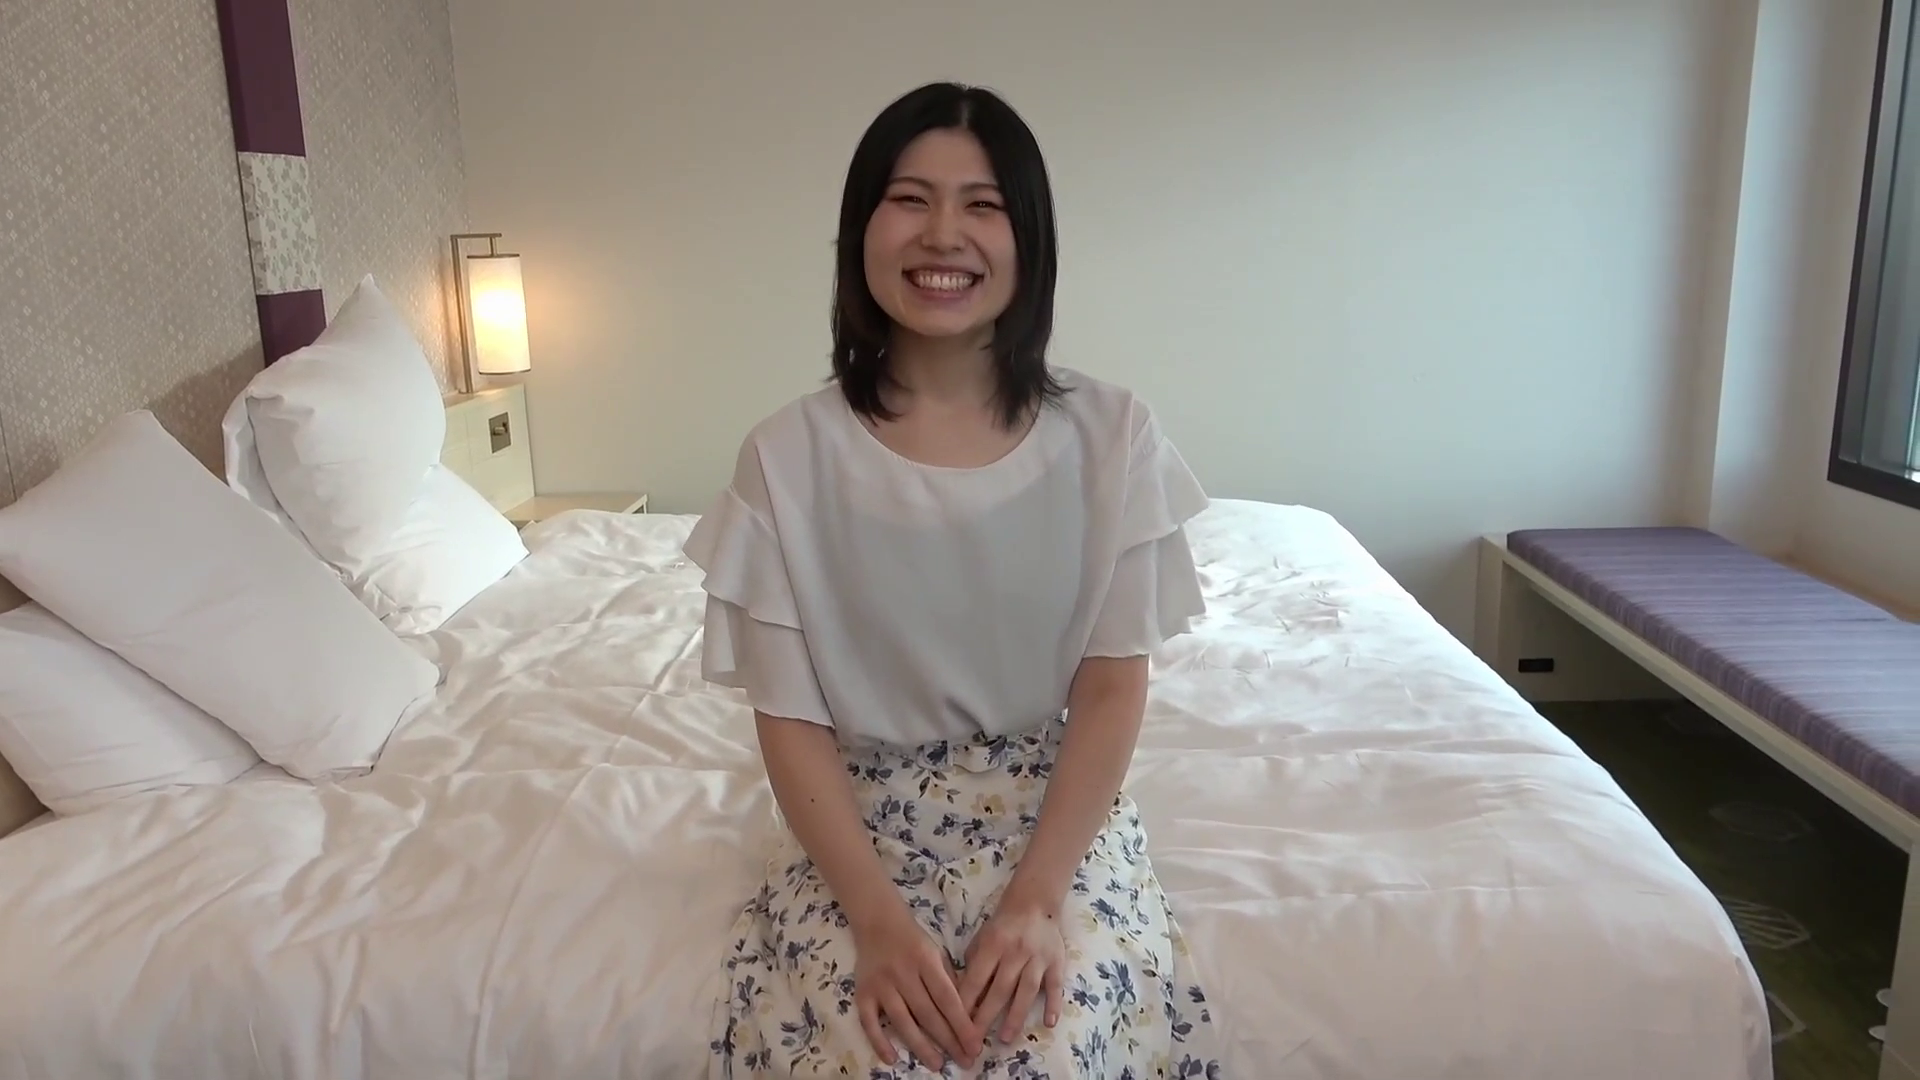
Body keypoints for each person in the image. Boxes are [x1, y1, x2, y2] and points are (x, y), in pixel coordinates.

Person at [685, 81, 1226, 1079]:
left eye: (983, 205)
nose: (943, 234)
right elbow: (791, 723)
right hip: (857, 830)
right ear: (861, 229)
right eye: (909, 199)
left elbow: (1112, 687)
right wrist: (878, 924)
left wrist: (1036, 902)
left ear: (1031, 239)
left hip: (1054, 817)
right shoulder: (785, 457)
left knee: (1052, 1049)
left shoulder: (1113, 436)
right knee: (872, 1054)